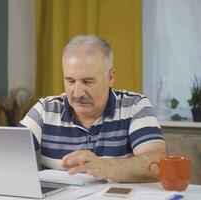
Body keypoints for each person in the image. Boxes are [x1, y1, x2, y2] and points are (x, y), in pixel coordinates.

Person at [19, 34, 166, 182]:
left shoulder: (135, 106)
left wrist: (106, 166)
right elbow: (7, 152)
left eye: (88, 81)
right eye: (70, 81)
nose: (77, 93)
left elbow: (158, 165)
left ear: (111, 77)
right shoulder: (45, 110)